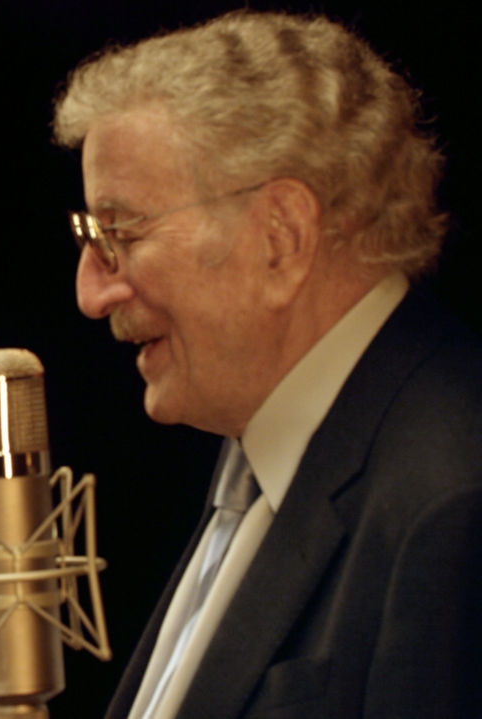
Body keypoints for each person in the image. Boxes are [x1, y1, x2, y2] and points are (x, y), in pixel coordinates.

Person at [53, 11, 481, 719]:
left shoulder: (453, 507)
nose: (90, 294)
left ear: (281, 237)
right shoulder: (261, 455)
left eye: (120, 232)